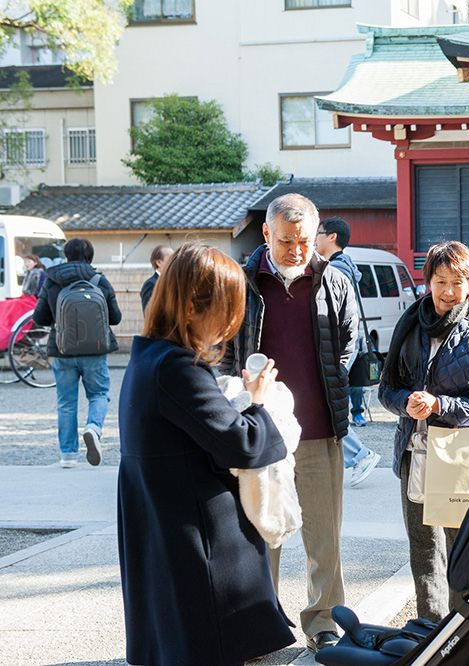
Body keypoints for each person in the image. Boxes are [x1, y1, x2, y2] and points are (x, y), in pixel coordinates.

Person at [117, 242, 294, 666]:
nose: (231, 324)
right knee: (207, 646)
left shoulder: (148, 358)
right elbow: (243, 444)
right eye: (228, 310)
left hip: (165, 523)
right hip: (196, 536)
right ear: (198, 306)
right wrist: (259, 401)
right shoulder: (177, 368)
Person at [221, 193, 357, 653]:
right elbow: (223, 350)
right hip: (261, 431)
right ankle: (262, 620)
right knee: (262, 532)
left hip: (319, 426)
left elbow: (348, 345)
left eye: (303, 241)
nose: (297, 250)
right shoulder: (241, 282)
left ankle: (322, 620)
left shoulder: (333, 280)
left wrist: (328, 383)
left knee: (325, 536)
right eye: (286, 242)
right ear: (266, 235)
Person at [379, 240, 469, 622]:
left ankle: (464, 631)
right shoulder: (409, 326)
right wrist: (406, 403)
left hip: (458, 456)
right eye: (440, 281)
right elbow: (386, 390)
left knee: (461, 548)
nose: (448, 292)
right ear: (427, 281)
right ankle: (430, 630)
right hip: (413, 451)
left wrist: (439, 405)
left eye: (457, 282)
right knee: (423, 549)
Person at [32, 238, 121, 468]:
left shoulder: (52, 281)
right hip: (95, 350)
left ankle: (68, 456)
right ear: (89, 256)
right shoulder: (99, 280)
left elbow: (40, 318)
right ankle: (93, 427)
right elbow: (116, 318)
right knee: (99, 394)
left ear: (66, 255)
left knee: (66, 403)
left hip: (62, 350)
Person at [315, 216, 381, 487]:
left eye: (318, 232)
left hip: (337, 348)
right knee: (327, 405)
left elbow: (332, 316)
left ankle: (359, 455)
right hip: (344, 347)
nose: (314, 238)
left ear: (332, 237)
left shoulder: (336, 270)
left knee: (326, 406)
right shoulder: (344, 266)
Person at [140, 245, 174, 313]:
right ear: (158, 262)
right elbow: (148, 314)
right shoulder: (150, 284)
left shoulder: (173, 282)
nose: (174, 262)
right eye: (171, 259)